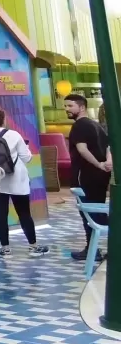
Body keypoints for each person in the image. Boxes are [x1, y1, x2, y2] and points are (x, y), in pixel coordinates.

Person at [0, 107, 50, 257]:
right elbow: (27, 158)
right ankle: (33, 246)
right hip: (17, 180)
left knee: (0, 214)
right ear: (3, 120)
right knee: (24, 213)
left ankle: (5, 248)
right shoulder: (13, 135)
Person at [65, 93, 112, 263]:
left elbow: (82, 150)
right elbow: (109, 146)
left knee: (88, 214)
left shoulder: (79, 126)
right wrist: (107, 163)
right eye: (65, 106)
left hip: (85, 176)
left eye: (70, 106)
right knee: (97, 211)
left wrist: (99, 164)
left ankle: (93, 249)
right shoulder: (96, 125)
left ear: (82, 107)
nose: (67, 109)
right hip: (101, 177)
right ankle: (102, 248)